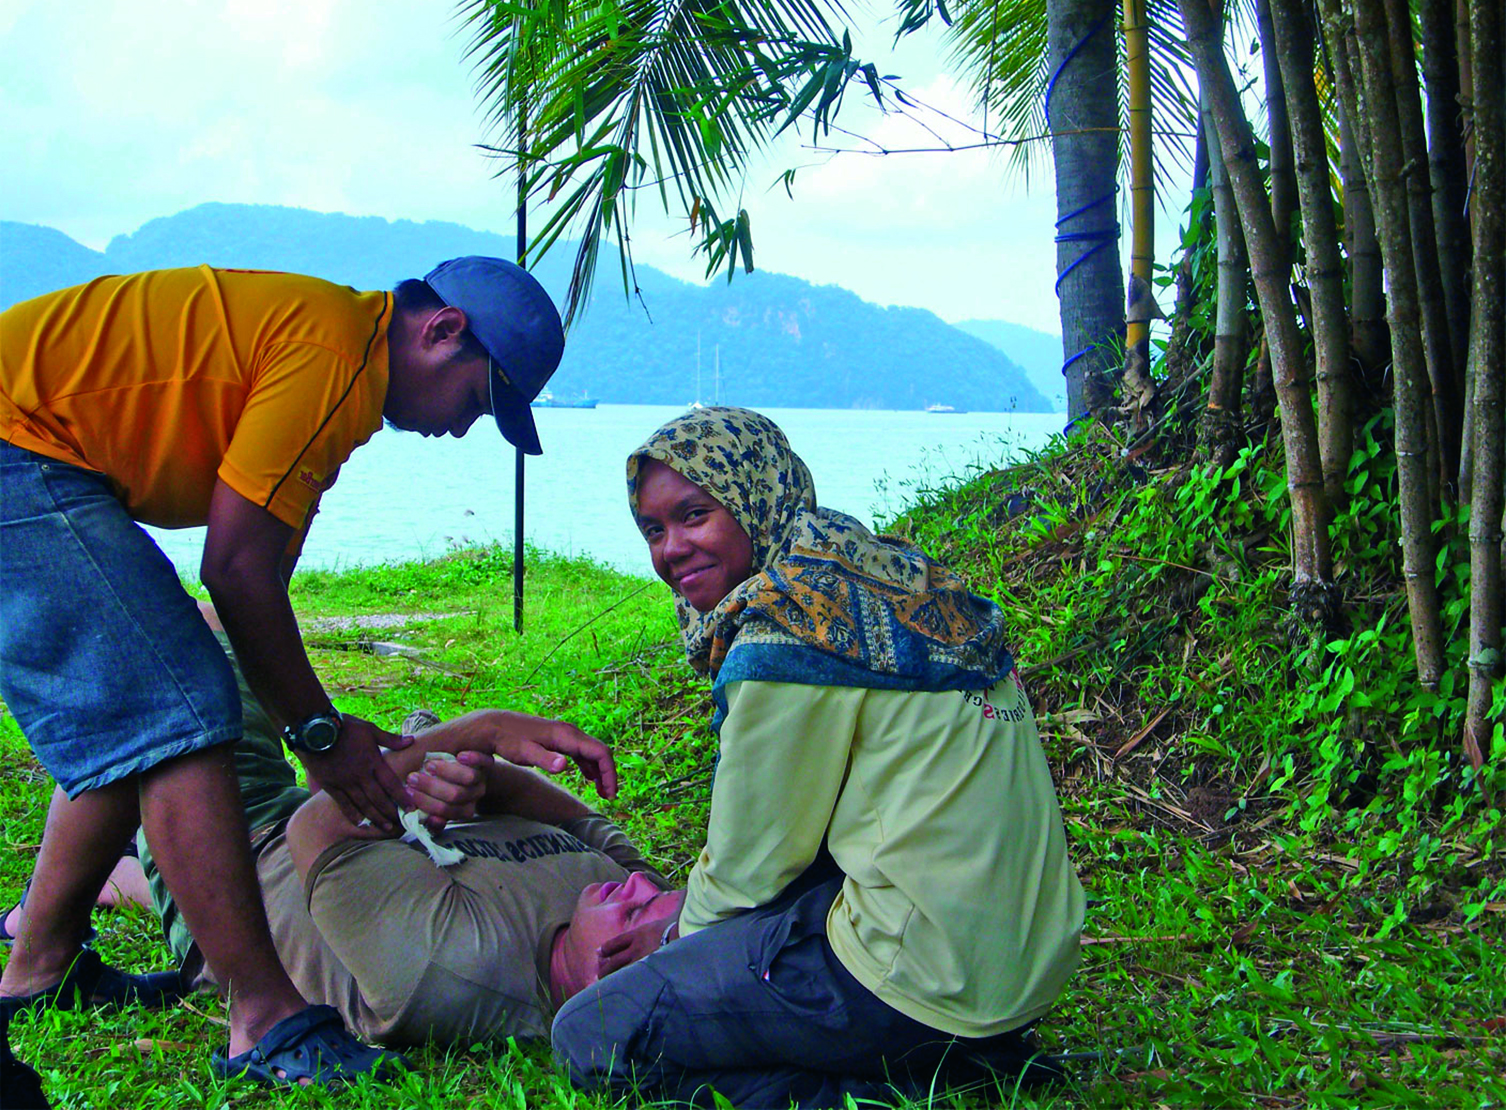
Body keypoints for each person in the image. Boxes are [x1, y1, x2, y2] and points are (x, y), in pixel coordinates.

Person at [0, 258, 604, 1099]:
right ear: (441, 331)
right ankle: (265, 1020)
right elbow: (234, 569)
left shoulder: (336, 357)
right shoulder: (332, 356)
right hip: (18, 448)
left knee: (150, 698)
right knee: (179, 715)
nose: (464, 430)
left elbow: (263, 580)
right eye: (476, 401)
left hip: (37, 450)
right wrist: (317, 735)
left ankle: (40, 970)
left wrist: (336, 731)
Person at [552, 407, 1087, 1109]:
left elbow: (751, 870)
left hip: (923, 981)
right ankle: (967, 1062)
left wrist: (676, 936)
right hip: (1028, 967)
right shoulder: (884, 572)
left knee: (591, 1032)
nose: (671, 549)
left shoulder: (788, 634)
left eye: (694, 515)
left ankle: (875, 1090)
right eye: (654, 530)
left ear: (753, 498)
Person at [134, 603, 681, 1047]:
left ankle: (51, 960)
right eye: (658, 890)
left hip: (240, 850)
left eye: (634, 907)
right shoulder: (625, 904)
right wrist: (482, 785)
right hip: (355, 843)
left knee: (152, 650)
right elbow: (583, 820)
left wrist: (479, 733)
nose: (637, 883)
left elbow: (317, 825)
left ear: (605, 973)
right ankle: (119, 880)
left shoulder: (452, 965)